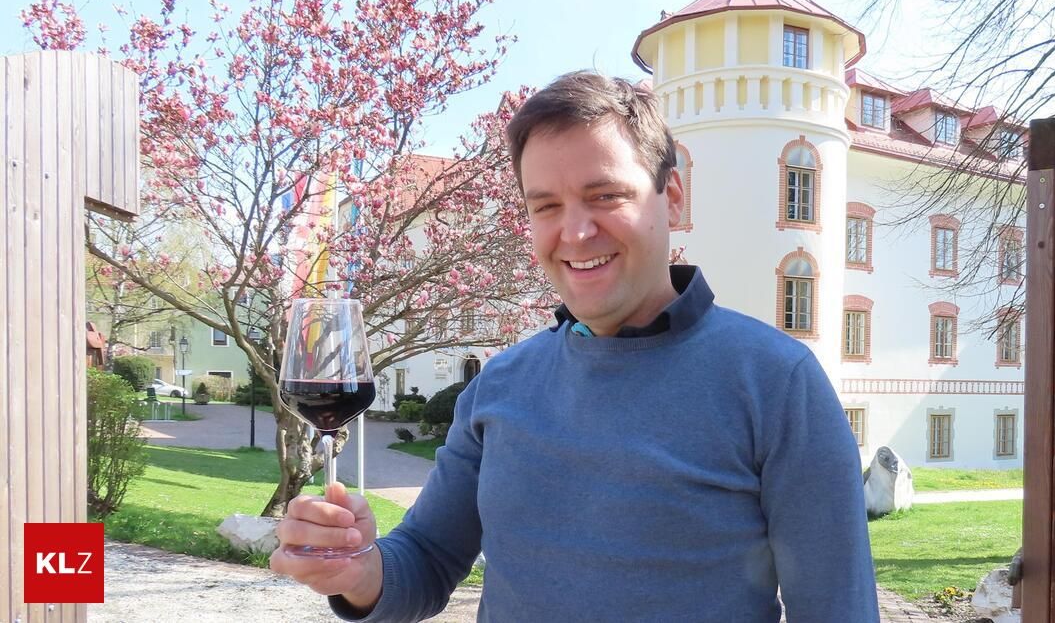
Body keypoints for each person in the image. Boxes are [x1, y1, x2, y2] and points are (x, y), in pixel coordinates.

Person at [271, 70, 880, 622]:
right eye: (547, 206)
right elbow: (427, 560)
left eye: (605, 196)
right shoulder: (499, 386)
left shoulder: (778, 384)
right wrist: (359, 572)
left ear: (672, 197)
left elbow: (837, 611)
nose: (576, 231)